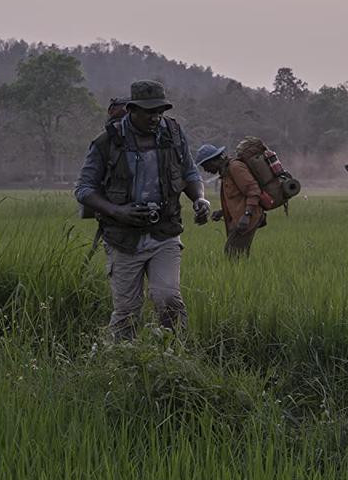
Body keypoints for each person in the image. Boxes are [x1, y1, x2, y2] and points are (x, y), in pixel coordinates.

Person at [75, 80, 211, 339]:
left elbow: (189, 172)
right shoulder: (107, 142)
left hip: (165, 232)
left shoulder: (173, 133)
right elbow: (83, 190)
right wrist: (117, 211)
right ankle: (122, 364)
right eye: (149, 111)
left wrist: (199, 199)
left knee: (169, 298)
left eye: (159, 111)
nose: (155, 117)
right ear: (131, 109)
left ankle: (175, 357)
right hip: (123, 238)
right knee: (127, 311)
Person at [196, 143, 265, 259]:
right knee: (237, 255)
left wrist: (247, 215)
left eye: (205, 165)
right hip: (240, 219)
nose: (205, 170)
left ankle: (240, 276)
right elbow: (238, 198)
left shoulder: (235, 168)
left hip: (247, 218)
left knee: (232, 254)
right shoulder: (226, 173)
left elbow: (253, 190)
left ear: (213, 160)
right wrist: (222, 212)